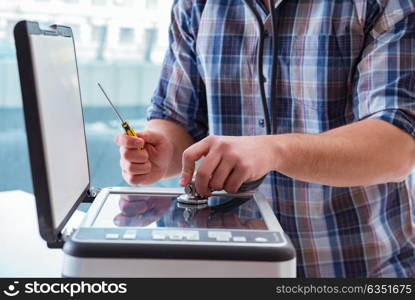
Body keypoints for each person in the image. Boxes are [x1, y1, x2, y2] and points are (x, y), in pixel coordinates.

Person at [115, 0, 415, 277]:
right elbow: (175, 119)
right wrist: (162, 154)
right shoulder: (196, 5)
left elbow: (397, 146)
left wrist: (273, 151)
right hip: (233, 274)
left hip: (359, 269)